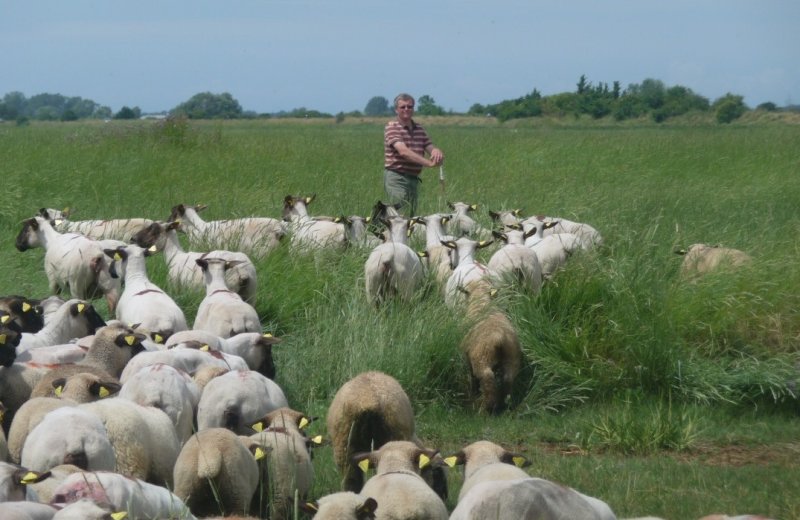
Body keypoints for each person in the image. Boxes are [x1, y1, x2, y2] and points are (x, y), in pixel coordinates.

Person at [383, 93, 445, 216]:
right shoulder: (392, 127)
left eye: (410, 107)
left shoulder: (419, 129)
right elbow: (403, 152)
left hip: (413, 178)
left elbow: (429, 146)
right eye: (403, 107)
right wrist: (428, 163)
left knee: (411, 215)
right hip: (397, 177)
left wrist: (436, 152)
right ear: (396, 109)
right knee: (399, 215)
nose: (406, 109)